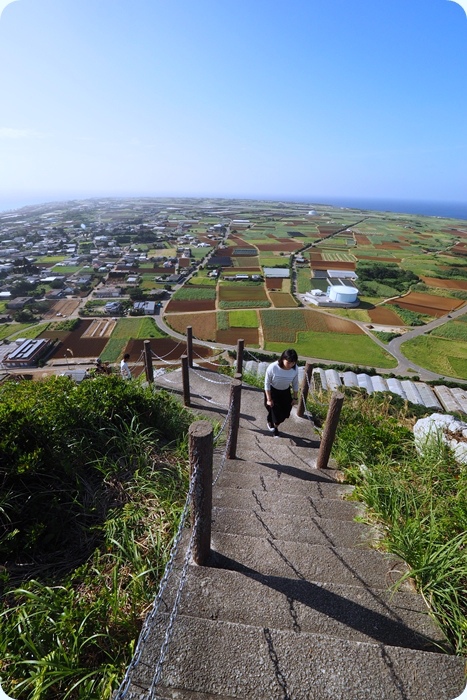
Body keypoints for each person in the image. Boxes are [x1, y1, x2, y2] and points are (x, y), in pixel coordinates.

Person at [264, 348, 299, 437]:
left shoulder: (295, 369)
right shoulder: (273, 367)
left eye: (293, 362)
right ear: (283, 358)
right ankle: (274, 427)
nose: (290, 365)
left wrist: (295, 397)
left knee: (286, 412)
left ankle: (271, 421)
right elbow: (267, 383)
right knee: (276, 412)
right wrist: (269, 399)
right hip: (273, 391)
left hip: (285, 392)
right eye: (289, 362)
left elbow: (295, 383)